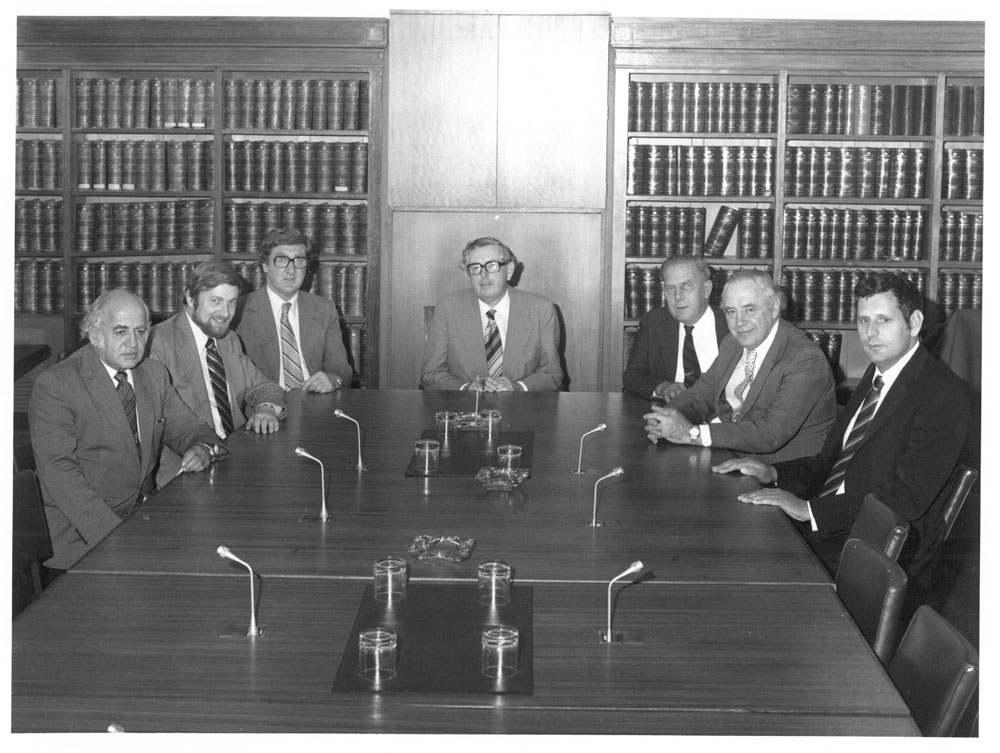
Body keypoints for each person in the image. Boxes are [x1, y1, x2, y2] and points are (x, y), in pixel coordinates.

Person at [712, 272, 971, 574]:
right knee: (726, 530)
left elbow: (906, 498)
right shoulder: (877, 375)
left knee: (737, 556)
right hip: (835, 522)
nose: (870, 333)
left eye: (883, 321)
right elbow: (831, 463)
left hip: (876, 547)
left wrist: (809, 510)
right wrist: (772, 472)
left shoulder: (943, 394)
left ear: (914, 323)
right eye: (863, 321)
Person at [28, 289, 223, 570]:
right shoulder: (57, 384)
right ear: (95, 335)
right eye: (121, 331)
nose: (133, 343)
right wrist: (119, 538)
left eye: (141, 331)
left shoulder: (153, 374)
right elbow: (60, 475)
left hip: (144, 521)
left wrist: (203, 448)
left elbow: (188, 427)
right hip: (84, 535)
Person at [643, 269, 836, 464]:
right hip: (731, 457)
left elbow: (770, 434)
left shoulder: (805, 358)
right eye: (731, 311)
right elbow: (700, 395)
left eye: (749, 309)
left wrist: (691, 433)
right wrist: (666, 418)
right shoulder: (733, 343)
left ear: (774, 306)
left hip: (777, 475)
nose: (739, 322)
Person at [148, 260, 287, 482]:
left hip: (237, 455)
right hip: (187, 466)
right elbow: (158, 421)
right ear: (191, 299)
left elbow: (264, 386)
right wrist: (205, 447)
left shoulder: (229, 339)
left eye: (231, 303)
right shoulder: (158, 343)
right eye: (215, 301)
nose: (225, 313)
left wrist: (267, 409)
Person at [421, 236, 564, 391]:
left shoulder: (541, 309)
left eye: (492, 266)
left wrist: (518, 387)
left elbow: (552, 373)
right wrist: (466, 388)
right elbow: (431, 374)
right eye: (475, 268)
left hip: (522, 407)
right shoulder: (448, 307)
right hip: (466, 408)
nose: (484, 275)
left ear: (509, 270)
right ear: (467, 275)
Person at [234, 226, 353, 392]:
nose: (291, 270)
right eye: (281, 260)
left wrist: (333, 380)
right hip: (263, 410)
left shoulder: (325, 309)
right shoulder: (238, 311)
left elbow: (342, 369)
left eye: (299, 260)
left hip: (315, 405)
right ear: (265, 265)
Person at [623, 255, 728, 400]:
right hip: (670, 411)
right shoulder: (654, 322)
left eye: (687, 286)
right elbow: (632, 376)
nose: (678, 296)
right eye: (671, 288)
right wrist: (663, 387)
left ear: (706, 289)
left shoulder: (731, 322)